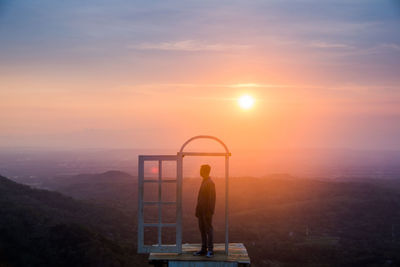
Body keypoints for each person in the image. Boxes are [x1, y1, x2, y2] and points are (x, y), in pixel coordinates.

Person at [193, 164, 216, 258]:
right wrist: (197, 210)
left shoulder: (210, 183)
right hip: (201, 211)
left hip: (206, 212)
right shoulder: (205, 181)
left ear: (205, 171)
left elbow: (212, 198)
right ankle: (204, 249)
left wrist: (210, 211)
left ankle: (210, 250)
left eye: (201, 170)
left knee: (208, 230)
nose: (200, 172)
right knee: (202, 230)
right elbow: (200, 198)